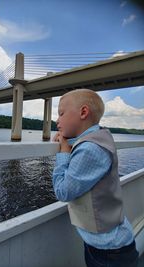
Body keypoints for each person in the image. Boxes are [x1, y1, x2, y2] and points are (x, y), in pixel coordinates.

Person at [53, 89, 139, 267]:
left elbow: (63, 191)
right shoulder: (99, 138)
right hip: (108, 245)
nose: (57, 120)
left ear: (83, 112)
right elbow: (80, 144)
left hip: (109, 251)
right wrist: (67, 140)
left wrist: (63, 151)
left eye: (61, 113)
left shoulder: (90, 150)